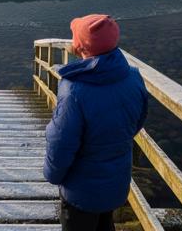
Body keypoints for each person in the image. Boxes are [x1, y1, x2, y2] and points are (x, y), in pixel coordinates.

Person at [44, 14, 149, 231]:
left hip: (80, 190)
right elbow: (137, 121)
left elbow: (60, 141)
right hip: (116, 182)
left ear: (81, 47)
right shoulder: (133, 77)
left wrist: (52, 174)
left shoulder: (75, 90)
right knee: (104, 223)